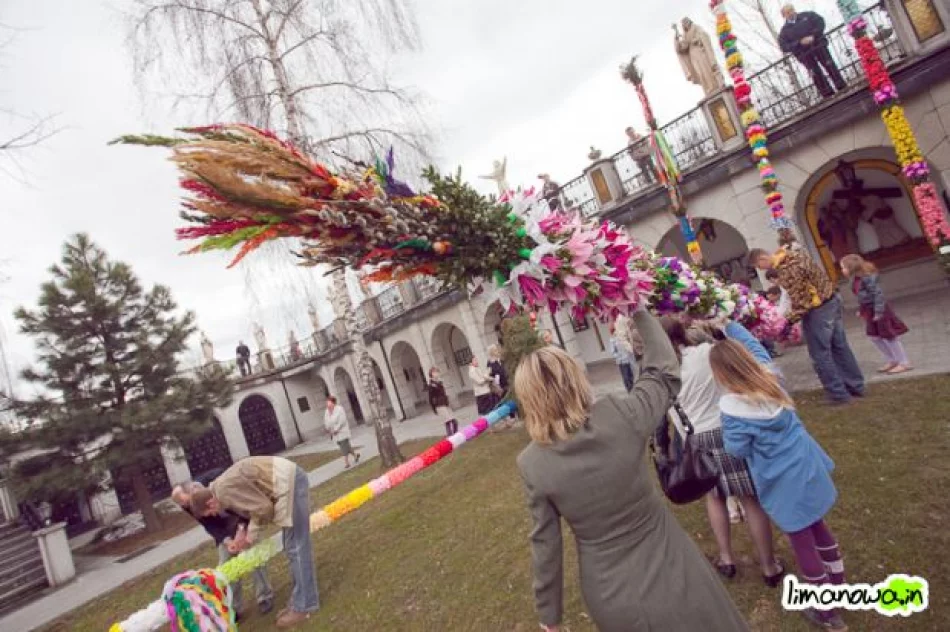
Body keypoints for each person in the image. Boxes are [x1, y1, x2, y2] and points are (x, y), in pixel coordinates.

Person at [515, 305, 749, 632]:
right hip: (672, 567)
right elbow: (664, 372)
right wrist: (635, 307)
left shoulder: (533, 463)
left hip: (612, 593)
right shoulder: (619, 415)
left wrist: (549, 618)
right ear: (576, 379)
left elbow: (545, 544)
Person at [711, 340, 847, 631]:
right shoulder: (772, 381)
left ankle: (827, 612)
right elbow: (751, 343)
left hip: (782, 479)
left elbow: (736, 449)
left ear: (721, 374)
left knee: (802, 543)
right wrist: (726, 323)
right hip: (806, 465)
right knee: (818, 526)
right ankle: (838, 584)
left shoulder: (732, 410)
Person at [661, 317, 784, 585]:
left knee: (715, 498)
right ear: (682, 331)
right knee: (750, 497)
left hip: (696, 438)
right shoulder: (706, 353)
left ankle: (727, 559)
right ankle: (768, 566)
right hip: (726, 426)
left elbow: (669, 412)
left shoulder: (661, 371)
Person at [190, 457, 319, 629]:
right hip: (287, 483)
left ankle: (305, 606)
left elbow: (263, 508)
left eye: (210, 512)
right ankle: (299, 601)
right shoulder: (220, 489)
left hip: (289, 484)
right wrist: (241, 533)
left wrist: (250, 536)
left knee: (296, 548)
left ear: (210, 502)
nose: (214, 515)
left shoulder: (224, 492)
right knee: (292, 548)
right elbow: (248, 508)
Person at [750, 246, 864, 404]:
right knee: (840, 347)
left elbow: (801, 302)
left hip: (818, 310)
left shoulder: (787, 269)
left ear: (762, 259)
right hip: (831, 299)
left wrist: (786, 323)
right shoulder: (793, 255)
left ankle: (838, 394)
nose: (760, 270)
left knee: (820, 354)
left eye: (758, 266)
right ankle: (856, 386)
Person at [172, 474, 274, 621]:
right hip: (225, 531)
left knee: (253, 556)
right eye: (183, 505)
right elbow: (210, 525)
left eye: (186, 502)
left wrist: (241, 531)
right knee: (225, 568)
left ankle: (264, 596)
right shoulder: (189, 504)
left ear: (194, 490)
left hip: (244, 520)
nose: (186, 506)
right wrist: (227, 541)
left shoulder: (218, 482)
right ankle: (233, 608)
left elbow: (243, 509)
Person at [840, 254, 912, 374]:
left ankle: (904, 362)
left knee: (889, 336)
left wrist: (878, 311)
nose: (842, 270)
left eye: (843, 267)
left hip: (880, 310)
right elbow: (863, 297)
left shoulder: (867, 278)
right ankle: (892, 360)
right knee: (874, 337)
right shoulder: (855, 279)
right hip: (869, 310)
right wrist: (862, 310)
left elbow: (878, 295)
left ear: (851, 267)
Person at [778, 4, 846, 99]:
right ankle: (827, 94)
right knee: (815, 73)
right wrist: (799, 43)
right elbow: (784, 46)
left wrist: (813, 35)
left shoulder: (808, 15)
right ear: (784, 15)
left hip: (819, 46)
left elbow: (820, 22)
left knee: (829, 65)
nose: (791, 13)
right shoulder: (784, 31)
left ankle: (841, 86)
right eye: (788, 12)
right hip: (804, 54)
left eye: (791, 10)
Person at [325, 395, 361, 468]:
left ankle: (346, 463)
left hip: (342, 431)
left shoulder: (339, 409)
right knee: (346, 446)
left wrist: (337, 429)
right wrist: (329, 429)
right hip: (334, 433)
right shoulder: (327, 411)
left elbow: (342, 420)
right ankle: (355, 455)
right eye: (327, 403)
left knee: (343, 447)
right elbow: (326, 421)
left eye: (329, 403)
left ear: (333, 403)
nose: (328, 405)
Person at [427, 367, 458, 436]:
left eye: (437, 372)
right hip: (439, 405)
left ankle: (454, 436)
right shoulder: (431, 385)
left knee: (454, 421)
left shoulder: (440, 383)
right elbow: (430, 398)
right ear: (431, 374)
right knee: (449, 421)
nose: (436, 374)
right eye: (434, 372)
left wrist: (448, 402)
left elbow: (443, 394)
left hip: (445, 403)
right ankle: (450, 436)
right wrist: (434, 408)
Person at [608, 322, 636, 392]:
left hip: (630, 359)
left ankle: (635, 389)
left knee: (633, 375)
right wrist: (619, 357)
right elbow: (613, 352)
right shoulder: (613, 339)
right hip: (622, 362)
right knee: (626, 377)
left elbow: (630, 345)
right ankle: (630, 391)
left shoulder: (625, 335)